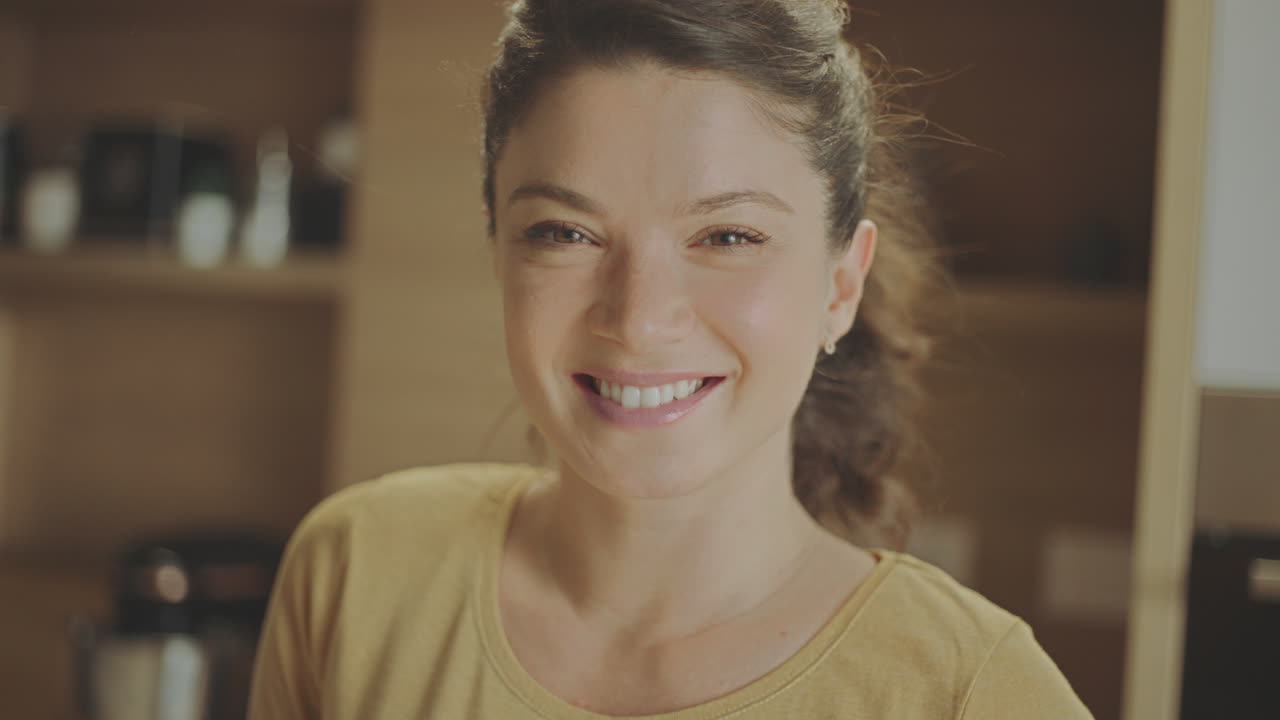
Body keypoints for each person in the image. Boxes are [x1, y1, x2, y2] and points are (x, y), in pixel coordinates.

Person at [248, 0, 1095, 717]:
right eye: (565, 233)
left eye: (728, 236)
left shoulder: (970, 692)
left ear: (840, 286)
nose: (640, 319)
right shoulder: (356, 575)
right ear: (499, 252)